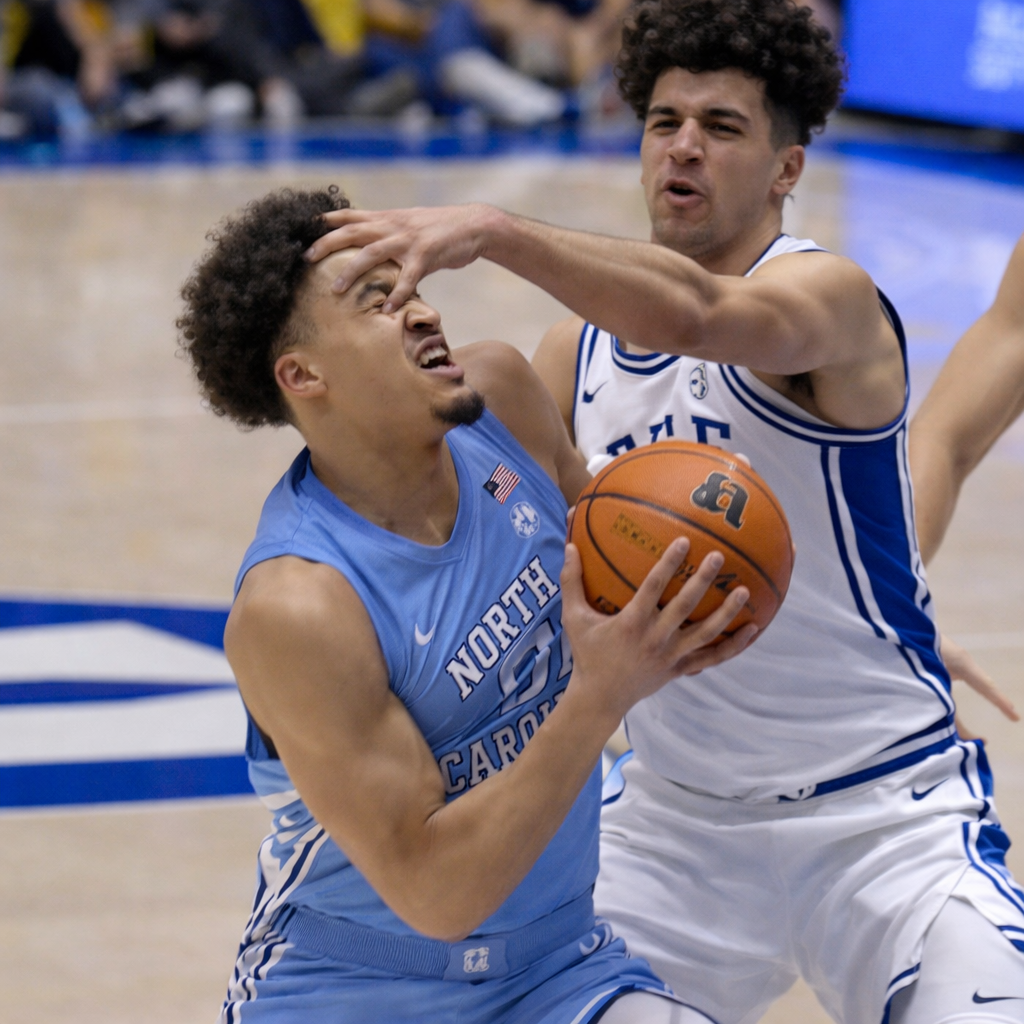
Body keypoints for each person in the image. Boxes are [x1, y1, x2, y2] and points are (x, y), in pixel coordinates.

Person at [302, 2, 1024, 1021]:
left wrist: (494, 230)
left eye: (721, 126)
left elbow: (702, 313)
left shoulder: (827, 296)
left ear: (786, 167)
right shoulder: (571, 357)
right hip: (673, 833)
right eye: (663, 121)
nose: (683, 146)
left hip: (884, 817)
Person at [178, 185, 758, 1023]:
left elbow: (620, 573)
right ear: (303, 375)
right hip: (357, 994)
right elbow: (437, 892)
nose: (421, 312)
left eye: (413, 286)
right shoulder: (299, 605)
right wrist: (599, 697)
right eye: (377, 301)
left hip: (557, 966)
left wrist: (736, 580)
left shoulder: (501, 400)